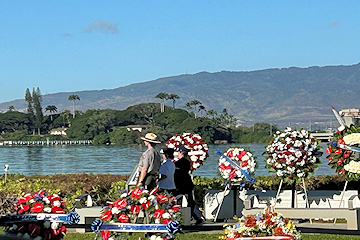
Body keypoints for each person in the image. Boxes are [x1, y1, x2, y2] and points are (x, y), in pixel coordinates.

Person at [174, 145, 204, 224]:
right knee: (190, 201)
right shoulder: (186, 161)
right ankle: (198, 216)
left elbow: (177, 174)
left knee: (177, 200)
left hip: (182, 185)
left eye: (178, 152)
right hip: (186, 184)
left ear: (181, 153)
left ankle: (179, 217)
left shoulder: (180, 162)